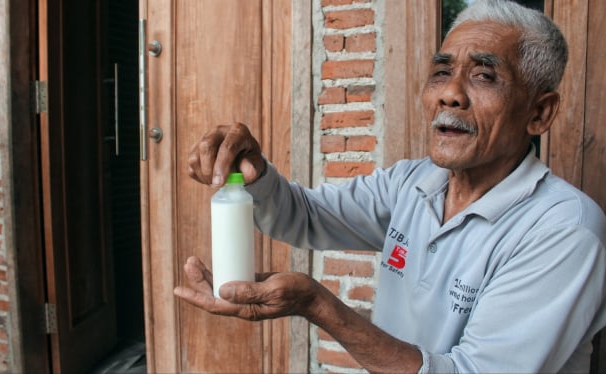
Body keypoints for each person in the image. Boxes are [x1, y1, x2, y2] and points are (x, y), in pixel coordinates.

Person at [173, 0, 606, 372]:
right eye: (441, 72)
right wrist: (257, 173)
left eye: (484, 76)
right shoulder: (413, 183)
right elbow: (306, 216)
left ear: (540, 114)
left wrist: (318, 305)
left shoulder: (565, 230)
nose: (449, 95)